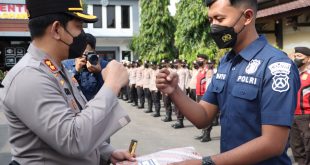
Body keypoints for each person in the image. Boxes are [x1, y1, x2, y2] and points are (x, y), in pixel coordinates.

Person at [157, 0, 300, 164]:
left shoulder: (275, 66)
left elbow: (273, 143)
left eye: (220, 18)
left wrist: (206, 163)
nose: (213, 27)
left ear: (247, 17)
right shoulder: (227, 62)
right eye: (211, 20)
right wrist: (174, 91)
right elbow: (203, 117)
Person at [0, 0, 135, 164]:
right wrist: (112, 85)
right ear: (57, 29)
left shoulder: (55, 69)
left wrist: (106, 152)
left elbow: (73, 120)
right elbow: (72, 140)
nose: (83, 35)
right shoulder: (29, 76)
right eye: (79, 27)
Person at [63, 33, 108, 101]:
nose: (84, 56)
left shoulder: (104, 64)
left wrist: (99, 72)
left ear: (94, 50)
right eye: (81, 52)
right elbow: (63, 88)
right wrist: (75, 70)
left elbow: (110, 90)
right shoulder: (67, 64)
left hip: (98, 106)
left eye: (87, 53)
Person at [290, 47, 310, 165]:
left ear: (308, 59)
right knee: (296, 147)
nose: (296, 59)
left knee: (308, 146)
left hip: (306, 116)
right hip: (293, 116)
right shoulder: (292, 74)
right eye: (295, 56)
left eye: (300, 56)